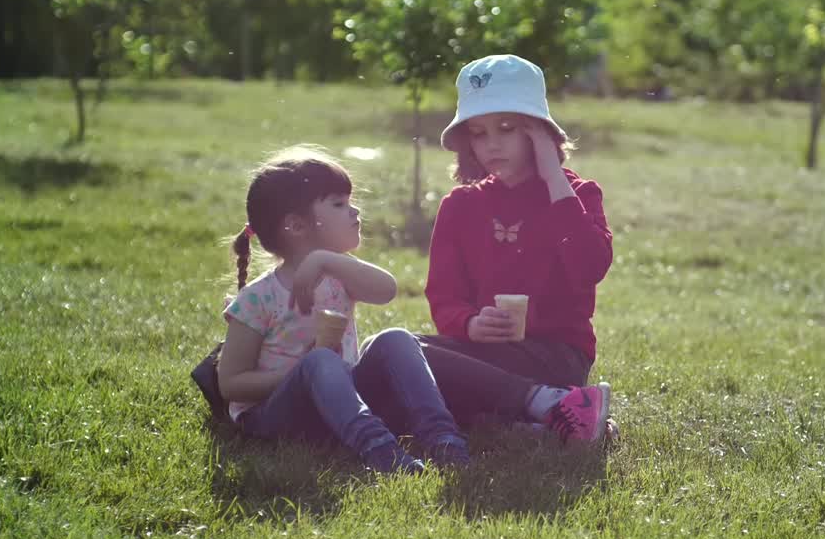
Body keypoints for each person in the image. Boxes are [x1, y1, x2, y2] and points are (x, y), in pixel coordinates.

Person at [215, 146, 470, 474]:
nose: (355, 212)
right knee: (321, 361)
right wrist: (302, 373)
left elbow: (387, 290)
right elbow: (231, 385)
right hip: (275, 417)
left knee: (394, 338)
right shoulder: (258, 298)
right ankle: (380, 450)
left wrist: (325, 259)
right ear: (296, 225)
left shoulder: (338, 275)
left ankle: (443, 437)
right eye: (339, 204)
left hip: (340, 403)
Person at [418, 54, 616, 443]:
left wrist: (552, 174)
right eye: (478, 133)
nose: (491, 145)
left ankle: (552, 402)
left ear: (539, 132)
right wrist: (471, 324)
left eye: (507, 128)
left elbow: (590, 266)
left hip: (555, 357)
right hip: (481, 353)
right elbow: (443, 297)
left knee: (407, 365)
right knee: (392, 352)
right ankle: (540, 420)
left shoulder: (577, 195)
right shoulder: (460, 206)